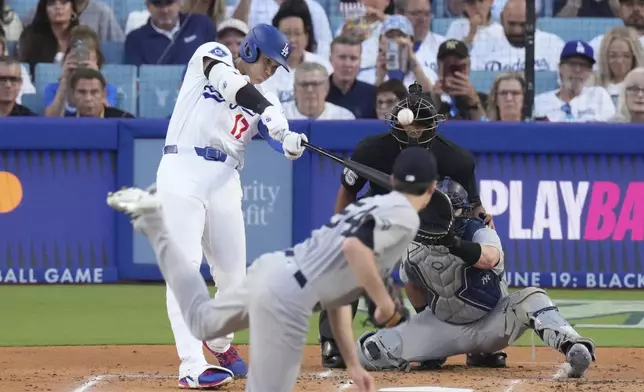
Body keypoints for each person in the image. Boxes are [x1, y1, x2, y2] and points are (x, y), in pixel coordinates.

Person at [106, 146, 440, 392]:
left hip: (273, 269)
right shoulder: (405, 216)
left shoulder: (368, 203)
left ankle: (154, 221)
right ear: (433, 186)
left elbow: (340, 288)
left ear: (394, 179)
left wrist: (352, 363)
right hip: (288, 300)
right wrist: (382, 301)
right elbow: (355, 250)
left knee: (199, 320)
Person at [152, 24, 307, 389]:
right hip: (182, 168)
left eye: (275, 68)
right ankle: (191, 365)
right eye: (268, 63)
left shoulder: (266, 98)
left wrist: (287, 139)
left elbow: (271, 134)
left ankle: (219, 343)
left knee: (235, 279)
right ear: (251, 50)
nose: (270, 72)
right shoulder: (212, 53)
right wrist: (268, 110)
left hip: (225, 177)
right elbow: (229, 85)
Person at [320, 82, 499, 370]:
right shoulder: (372, 150)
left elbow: (473, 205)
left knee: (467, 267)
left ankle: (477, 344)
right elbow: (348, 191)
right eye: (409, 123)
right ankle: (332, 341)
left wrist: (482, 217)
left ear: (433, 124)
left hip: (433, 227)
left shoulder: (456, 158)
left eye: (421, 123)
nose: (414, 130)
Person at [356, 178, 596, 379]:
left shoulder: (480, 231)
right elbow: (413, 286)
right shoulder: (412, 242)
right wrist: (426, 329)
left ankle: (573, 346)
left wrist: (453, 244)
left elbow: (489, 258)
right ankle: (432, 352)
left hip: (492, 322)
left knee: (532, 297)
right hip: (443, 325)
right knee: (370, 351)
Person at [533, 40, 615, 122]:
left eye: (584, 65)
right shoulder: (540, 102)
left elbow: (611, 131)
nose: (577, 70)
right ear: (560, 67)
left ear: (590, 71)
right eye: (572, 64)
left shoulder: (599, 96)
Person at [64, 68, 134, 118]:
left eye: (94, 92)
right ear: (73, 94)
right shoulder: (65, 123)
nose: (88, 98)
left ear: (104, 94)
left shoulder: (124, 119)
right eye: (82, 92)